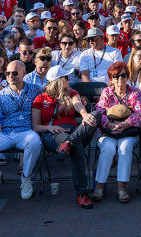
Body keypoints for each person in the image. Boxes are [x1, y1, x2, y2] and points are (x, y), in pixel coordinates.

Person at [31, 70, 102, 208]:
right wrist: (48, 128)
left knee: (96, 115)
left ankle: (69, 143)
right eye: (66, 78)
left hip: (75, 131)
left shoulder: (72, 93)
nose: (69, 80)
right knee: (77, 147)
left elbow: (77, 104)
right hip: (52, 133)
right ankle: (82, 193)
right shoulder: (40, 98)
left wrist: (84, 114)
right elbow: (35, 126)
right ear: (58, 81)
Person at [0, 61, 43, 201]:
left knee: (34, 141)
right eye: (7, 73)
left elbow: (52, 98)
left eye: (14, 73)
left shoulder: (36, 90)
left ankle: (26, 177)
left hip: (26, 131)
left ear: (24, 74)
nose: (10, 76)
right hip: (5, 132)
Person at [92, 61, 141, 203]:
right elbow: (99, 112)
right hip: (107, 131)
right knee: (108, 147)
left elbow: (140, 114)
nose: (120, 79)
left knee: (124, 147)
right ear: (111, 78)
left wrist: (125, 124)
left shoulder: (135, 92)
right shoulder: (107, 92)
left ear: (127, 76)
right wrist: (108, 125)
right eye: (116, 76)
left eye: (123, 75)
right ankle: (99, 186)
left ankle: (122, 188)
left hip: (129, 131)